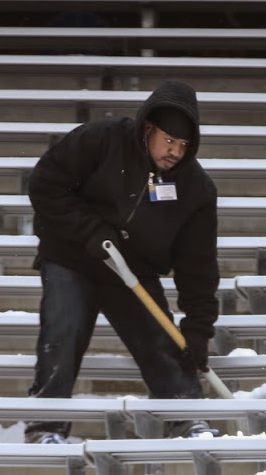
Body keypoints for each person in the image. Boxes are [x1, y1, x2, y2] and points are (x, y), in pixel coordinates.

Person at [23, 80, 220, 443]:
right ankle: (46, 426)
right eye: (168, 140)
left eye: (183, 145)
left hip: (133, 271)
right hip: (72, 257)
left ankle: (186, 417)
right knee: (62, 333)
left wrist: (198, 328)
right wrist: (89, 231)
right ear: (148, 129)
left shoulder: (196, 189)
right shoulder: (102, 140)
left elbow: (199, 266)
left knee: (162, 340)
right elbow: (45, 184)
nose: (175, 152)